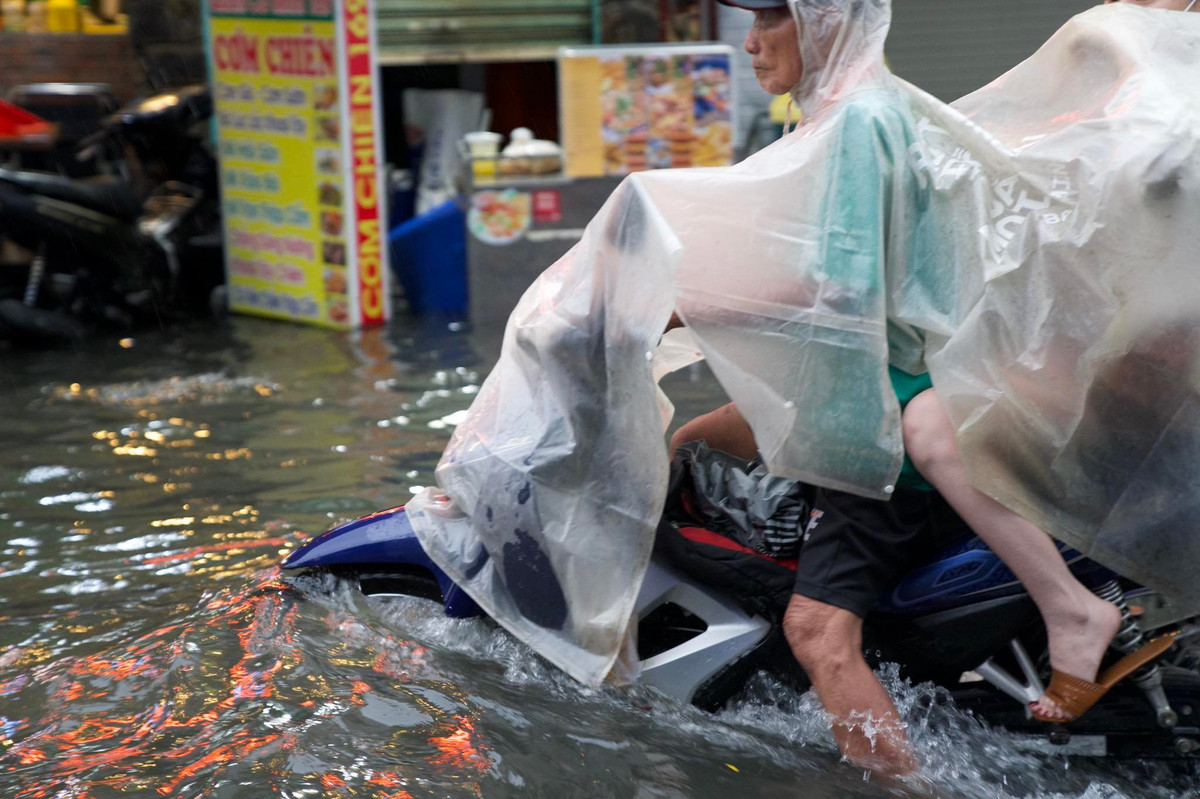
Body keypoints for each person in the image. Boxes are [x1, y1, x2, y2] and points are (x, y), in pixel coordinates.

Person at [671, 0, 969, 775]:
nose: (750, 41)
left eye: (773, 18)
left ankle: (905, 785)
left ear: (826, 21)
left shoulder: (860, 122)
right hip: (847, 396)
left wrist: (687, 303)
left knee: (818, 631)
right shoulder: (840, 115)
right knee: (685, 442)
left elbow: (840, 287)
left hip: (873, 420)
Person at [899, 0, 1198, 724]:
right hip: (1126, 366)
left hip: (1149, 384)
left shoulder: (1169, 108)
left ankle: (1070, 610)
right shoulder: (1131, 104)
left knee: (935, 426)